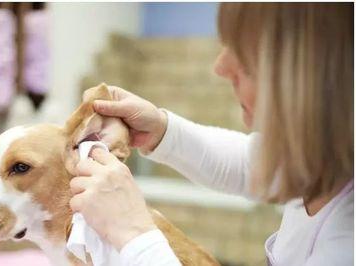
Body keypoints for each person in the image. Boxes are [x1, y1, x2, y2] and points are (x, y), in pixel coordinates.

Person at [69, 3, 353, 266]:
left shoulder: (346, 240)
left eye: (245, 58)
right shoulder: (322, 160)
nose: (221, 68)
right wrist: (160, 130)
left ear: (311, 82)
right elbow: (247, 162)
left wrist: (132, 232)